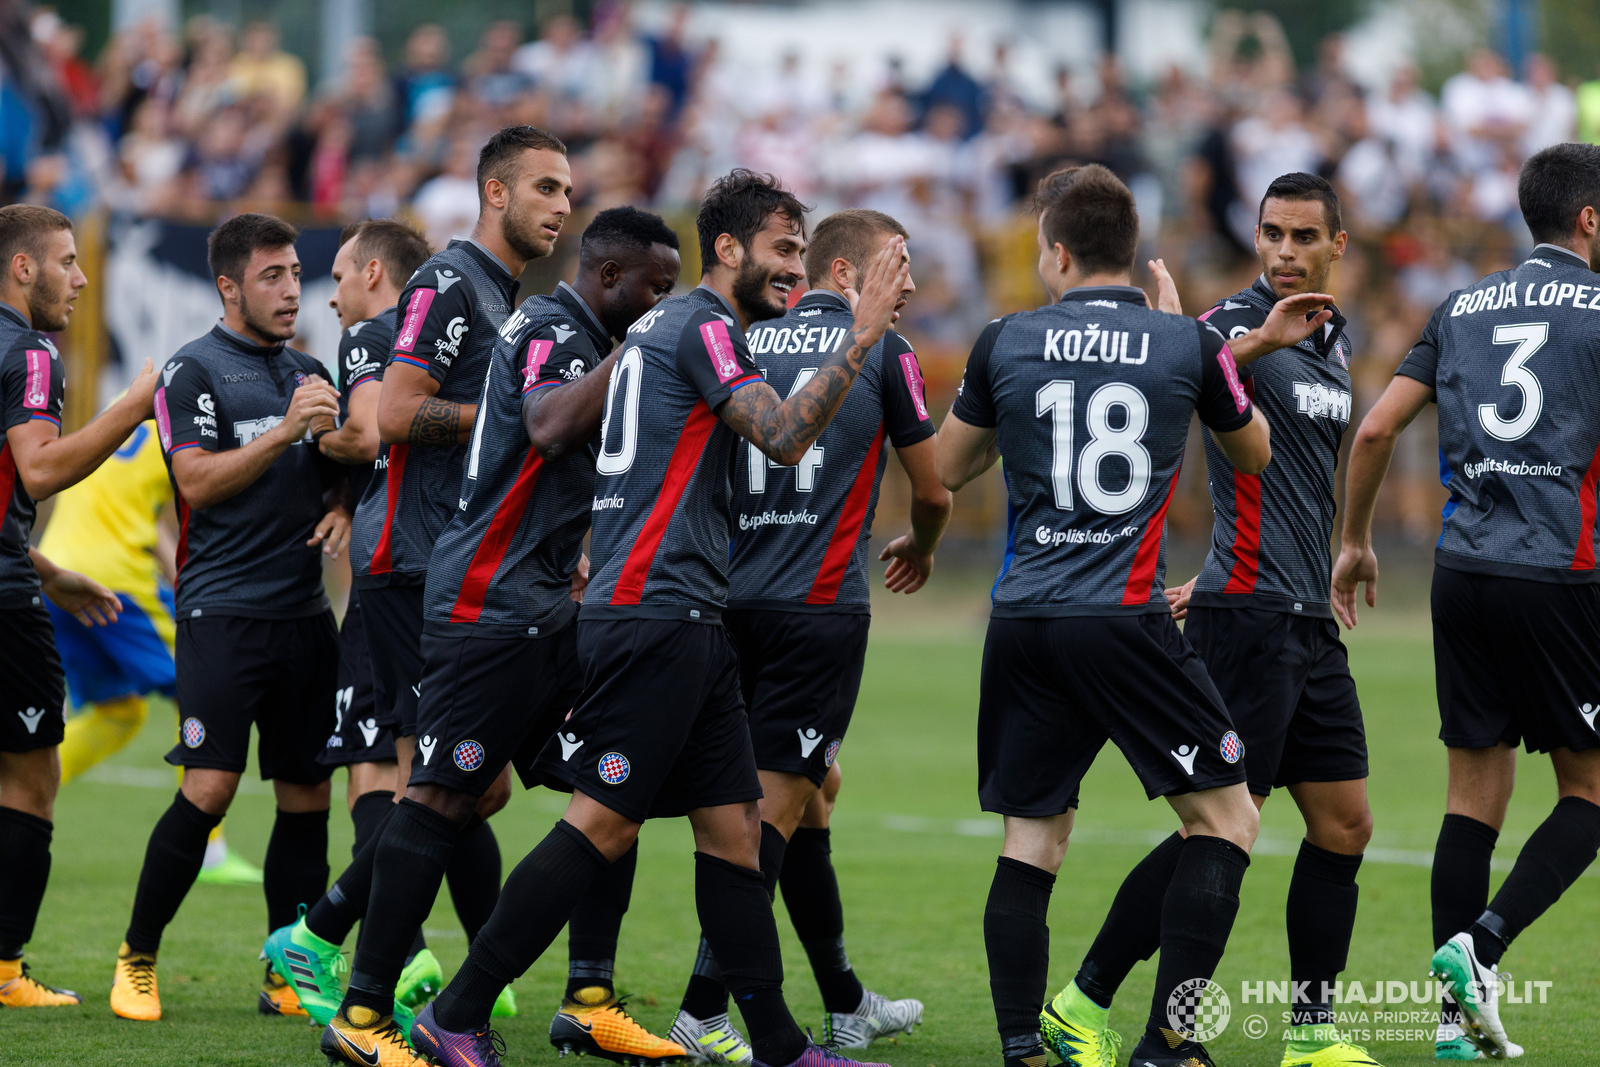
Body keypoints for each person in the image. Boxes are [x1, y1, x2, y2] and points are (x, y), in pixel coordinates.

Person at [406, 169, 907, 1067]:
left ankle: (783, 1047)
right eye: (783, 250)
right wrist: (861, 336)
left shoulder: (668, 327)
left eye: (803, 252)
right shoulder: (705, 324)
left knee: (733, 831)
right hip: (654, 611)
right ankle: (456, 1011)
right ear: (729, 249)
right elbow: (786, 438)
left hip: (689, 610)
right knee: (603, 823)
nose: (796, 270)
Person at [935, 164, 1330, 1067]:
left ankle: (1022, 1048)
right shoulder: (1182, 344)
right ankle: (1170, 1040)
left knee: (1032, 838)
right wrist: (1202, 353)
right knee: (1227, 821)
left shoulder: (1004, 339)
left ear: (1062, 252)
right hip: (1121, 616)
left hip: (1024, 616)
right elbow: (1255, 453)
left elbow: (951, 470)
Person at [310, 207, 686, 1067]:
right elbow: (548, 428)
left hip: (546, 600)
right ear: (609, 277)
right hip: (488, 599)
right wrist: (644, 345)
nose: (661, 301)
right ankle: (363, 1015)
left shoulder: (576, 334)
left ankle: (589, 997)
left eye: (672, 289)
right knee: (440, 795)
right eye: (653, 287)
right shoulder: (554, 328)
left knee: (610, 790)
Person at [1039, 172, 1379, 1067]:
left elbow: (1297, 475)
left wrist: (1348, 543)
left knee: (1345, 823)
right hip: (1249, 617)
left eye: (1304, 236)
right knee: (1221, 827)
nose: (1283, 251)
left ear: (1337, 246)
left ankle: (1311, 1036)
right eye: (1271, 233)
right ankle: (1103, 1008)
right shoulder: (1233, 328)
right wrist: (1253, 342)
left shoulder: (1335, 336)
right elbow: (1179, 381)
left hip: (1305, 614)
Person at [1332, 142, 1600, 1061]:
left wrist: (1356, 540)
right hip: (1561, 574)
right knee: (1592, 790)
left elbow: (1374, 428)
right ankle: (1480, 951)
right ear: (1590, 219)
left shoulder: (1459, 306)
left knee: (1472, 793)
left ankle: (1453, 1030)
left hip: (1463, 572)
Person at [669, 208, 949, 1063]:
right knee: (765, 821)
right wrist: (923, 545)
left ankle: (843, 997)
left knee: (814, 793)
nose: (905, 287)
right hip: (814, 612)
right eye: (894, 268)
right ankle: (701, 1009)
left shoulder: (742, 339)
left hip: (725, 605)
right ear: (844, 274)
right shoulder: (886, 355)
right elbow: (932, 492)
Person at [340, 126, 571, 1022]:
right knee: (442, 786)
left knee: (469, 785)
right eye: (544, 186)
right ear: (495, 191)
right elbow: (394, 415)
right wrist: (512, 417)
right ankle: (344, 968)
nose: (560, 204)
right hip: (415, 567)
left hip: (466, 570)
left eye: (566, 189)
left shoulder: (505, 295)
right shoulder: (447, 280)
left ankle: (455, 985)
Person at [109, 212, 351, 1023]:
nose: (292, 290)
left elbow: (341, 467)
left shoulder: (313, 368)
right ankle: (137, 956)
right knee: (209, 788)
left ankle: (289, 968)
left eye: (294, 274)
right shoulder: (193, 370)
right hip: (222, 612)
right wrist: (288, 430)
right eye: (273, 276)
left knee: (307, 797)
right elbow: (199, 482)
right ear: (228, 286)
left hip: (306, 616)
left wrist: (346, 501)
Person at [0, 203, 160, 1007]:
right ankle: (4, 971)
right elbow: (36, 471)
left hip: (20, 576)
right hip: (3, 606)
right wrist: (131, 407)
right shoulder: (29, 350)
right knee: (30, 782)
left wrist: (51, 570)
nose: (82, 277)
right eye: (67, 260)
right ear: (23, 268)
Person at [307, 217, 445, 1010]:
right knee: (425, 774)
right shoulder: (434, 341)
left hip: (394, 575)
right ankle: (402, 961)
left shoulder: (374, 334)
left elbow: (363, 434)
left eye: (336, 273)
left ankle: (325, 937)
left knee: (409, 774)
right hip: (422, 569)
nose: (328, 294)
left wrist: (313, 429)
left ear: (372, 273)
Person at [43, 409, 264, 890]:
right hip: (114, 581)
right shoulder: (190, 422)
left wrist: (180, 579)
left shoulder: (130, 411)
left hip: (58, 572)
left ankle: (14, 798)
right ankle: (209, 847)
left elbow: (148, 517)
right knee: (201, 684)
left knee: (119, 712)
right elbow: (199, 501)